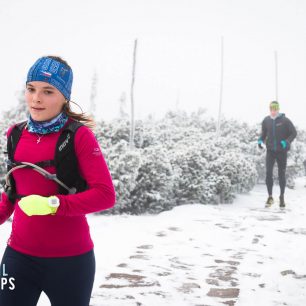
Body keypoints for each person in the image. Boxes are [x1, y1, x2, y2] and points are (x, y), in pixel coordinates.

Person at [0, 56, 116, 306]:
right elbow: (12, 193)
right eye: (31, 89)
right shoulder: (15, 134)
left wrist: (53, 204)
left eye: (47, 91)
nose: (36, 98)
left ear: (64, 96)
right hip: (18, 258)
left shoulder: (79, 137)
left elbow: (105, 194)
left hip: (71, 262)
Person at [258, 101, 296, 208]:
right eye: (271, 108)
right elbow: (264, 133)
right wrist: (260, 140)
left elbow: (294, 133)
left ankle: (282, 197)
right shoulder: (266, 120)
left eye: (275, 108)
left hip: (281, 151)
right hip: (270, 151)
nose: (273, 111)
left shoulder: (285, 120)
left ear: (278, 109)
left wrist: (287, 142)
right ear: (269, 109)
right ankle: (270, 197)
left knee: (281, 175)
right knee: (268, 173)